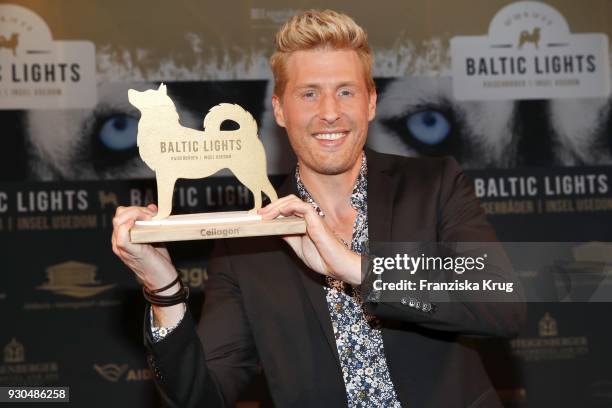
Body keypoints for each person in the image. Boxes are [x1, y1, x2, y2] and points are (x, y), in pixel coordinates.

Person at [112, 9, 525, 407]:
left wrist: (357, 268)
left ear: (371, 102)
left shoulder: (433, 186)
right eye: (309, 94)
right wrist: (164, 291)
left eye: (345, 91)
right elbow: (202, 398)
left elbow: (503, 304)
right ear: (279, 109)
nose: (330, 113)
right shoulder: (249, 236)